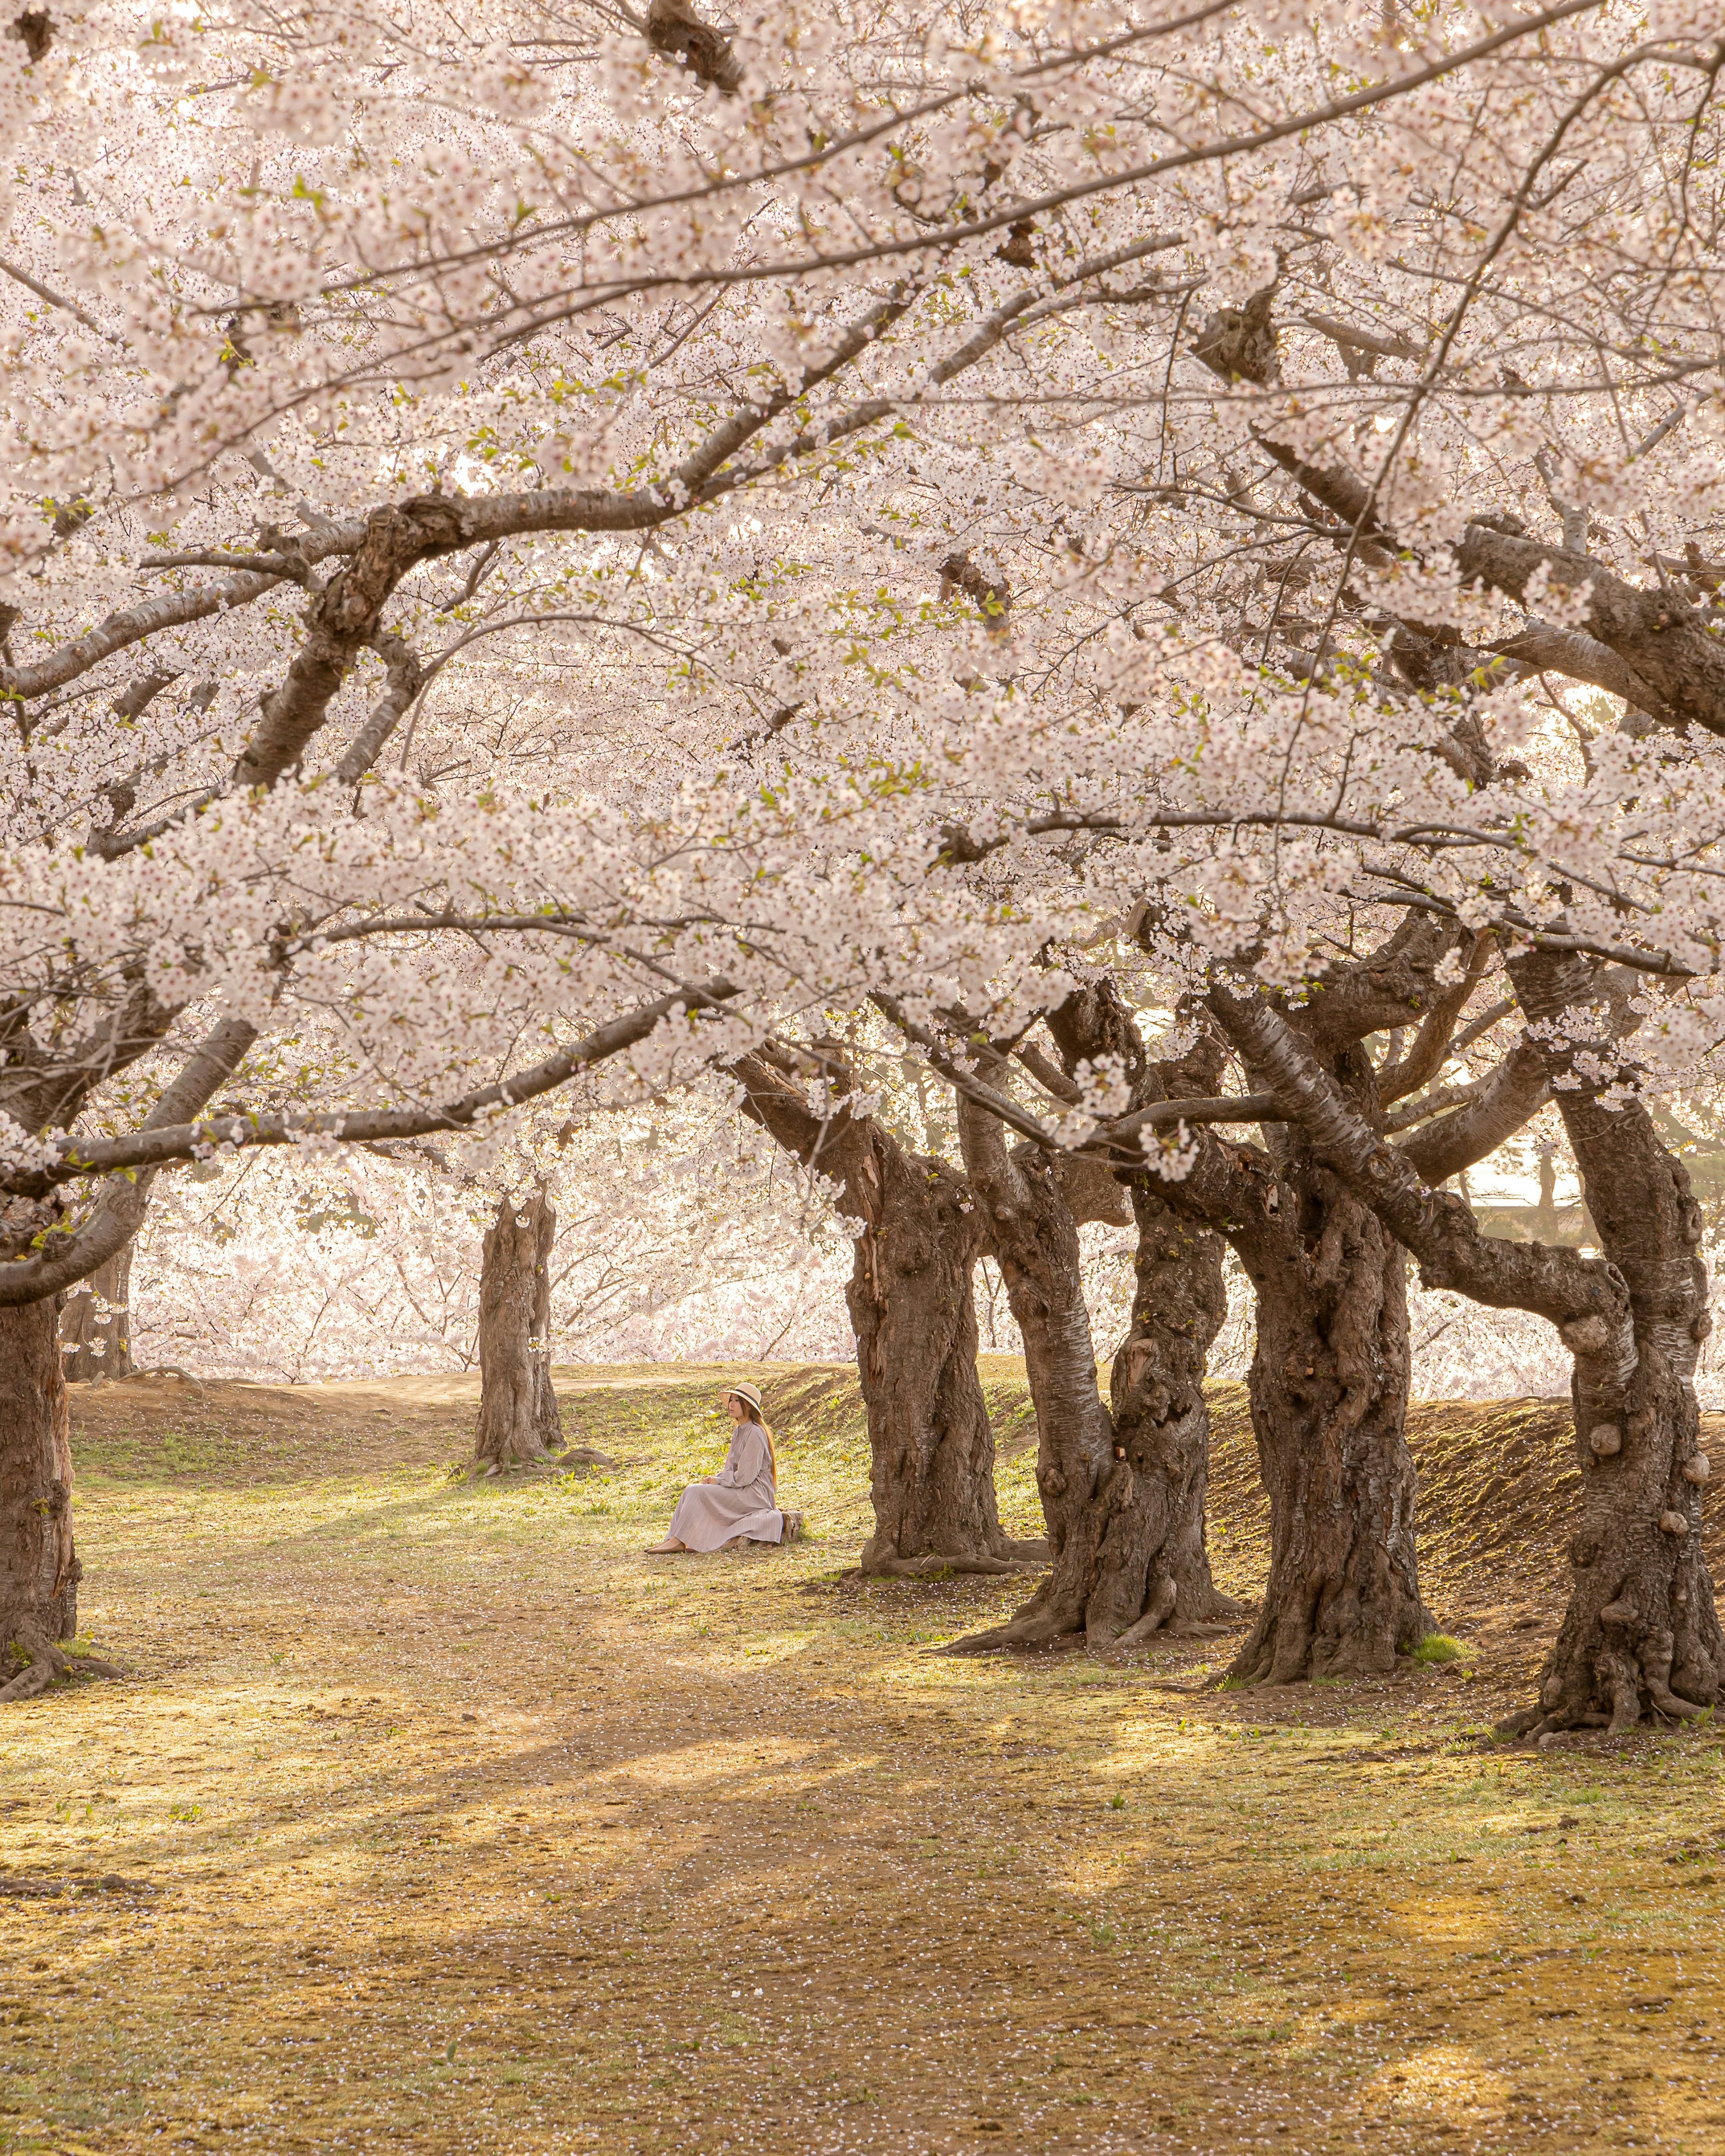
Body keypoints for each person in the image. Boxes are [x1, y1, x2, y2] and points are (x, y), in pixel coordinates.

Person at [645, 1382, 802, 1554]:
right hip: (741, 1487)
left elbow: (746, 1477)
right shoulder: (739, 1431)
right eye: (731, 1400)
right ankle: (673, 1538)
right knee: (692, 1490)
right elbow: (731, 1467)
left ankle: (680, 1540)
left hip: (754, 1494)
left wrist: (720, 1481)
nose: (731, 1405)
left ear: (748, 1407)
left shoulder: (756, 1433)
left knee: (696, 1492)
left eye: (737, 1401)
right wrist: (716, 1480)